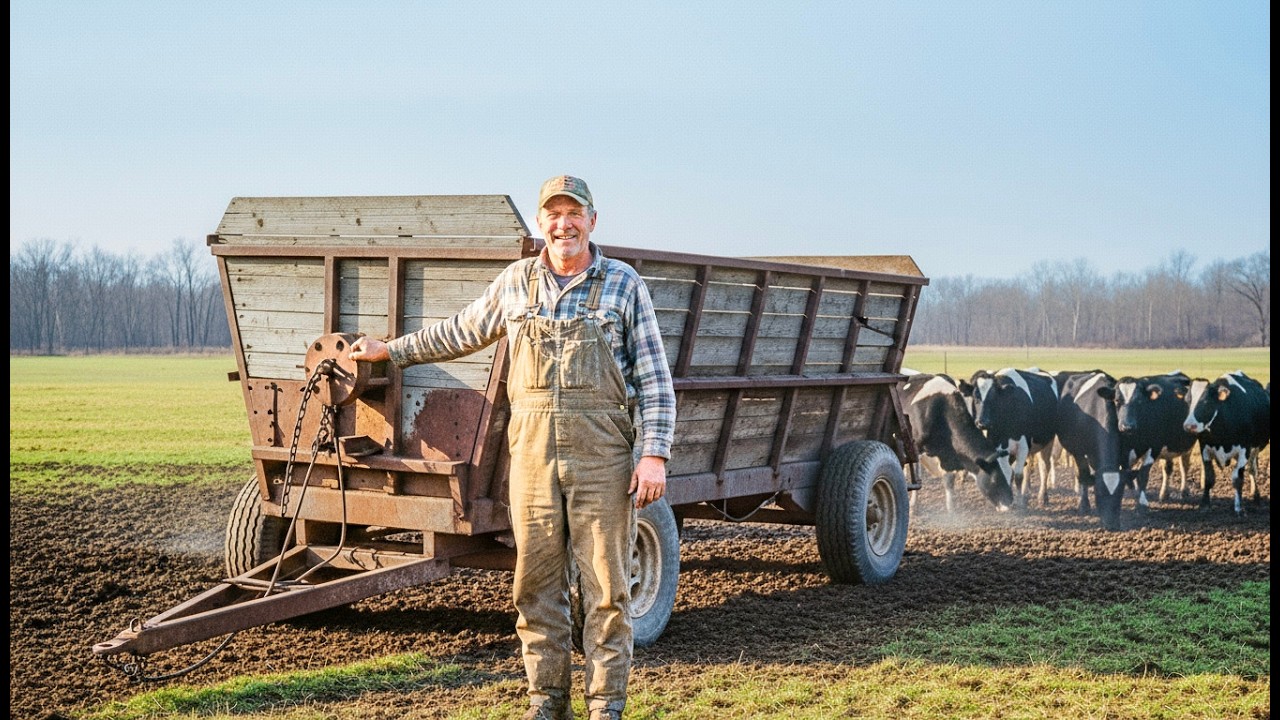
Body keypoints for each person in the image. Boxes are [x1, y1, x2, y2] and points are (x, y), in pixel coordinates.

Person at [348, 175, 675, 720]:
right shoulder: (517, 281)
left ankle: (605, 708)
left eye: (574, 214)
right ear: (541, 221)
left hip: (602, 456)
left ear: (593, 220)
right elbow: (458, 332)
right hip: (532, 453)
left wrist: (654, 453)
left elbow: (655, 379)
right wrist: (391, 351)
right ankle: (547, 704)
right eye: (554, 214)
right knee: (535, 585)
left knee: (606, 590)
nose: (563, 224)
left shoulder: (623, 284)